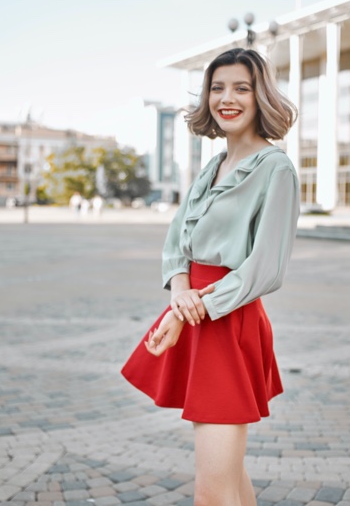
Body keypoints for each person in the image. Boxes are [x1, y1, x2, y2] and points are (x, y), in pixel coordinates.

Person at [121, 47, 299, 505]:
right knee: (231, 481)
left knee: (213, 493)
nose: (227, 98)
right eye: (217, 87)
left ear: (260, 96)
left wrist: (192, 308)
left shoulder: (275, 168)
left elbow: (265, 268)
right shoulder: (211, 167)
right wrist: (180, 296)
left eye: (241, 87)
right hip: (198, 313)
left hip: (229, 320)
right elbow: (177, 242)